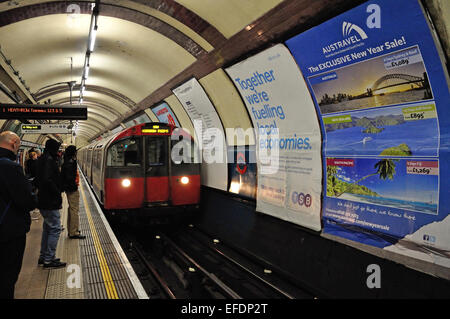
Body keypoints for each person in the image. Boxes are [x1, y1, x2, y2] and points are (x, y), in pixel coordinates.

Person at [0, 131, 37, 299]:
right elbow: (26, 201)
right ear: (14, 143)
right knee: (7, 276)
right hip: (9, 231)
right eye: (19, 146)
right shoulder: (10, 167)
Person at [36, 138, 66, 269]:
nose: (58, 151)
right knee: (55, 228)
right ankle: (49, 259)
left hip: (43, 199)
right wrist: (58, 192)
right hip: (49, 200)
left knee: (47, 229)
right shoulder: (49, 161)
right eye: (57, 148)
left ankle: (43, 257)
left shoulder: (42, 159)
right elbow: (48, 180)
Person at [61, 145, 85, 239]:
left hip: (68, 188)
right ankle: (74, 232)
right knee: (74, 210)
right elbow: (70, 177)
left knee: (71, 209)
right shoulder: (71, 162)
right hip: (72, 189)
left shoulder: (66, 161)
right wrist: (74, 187)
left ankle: (71, 230)